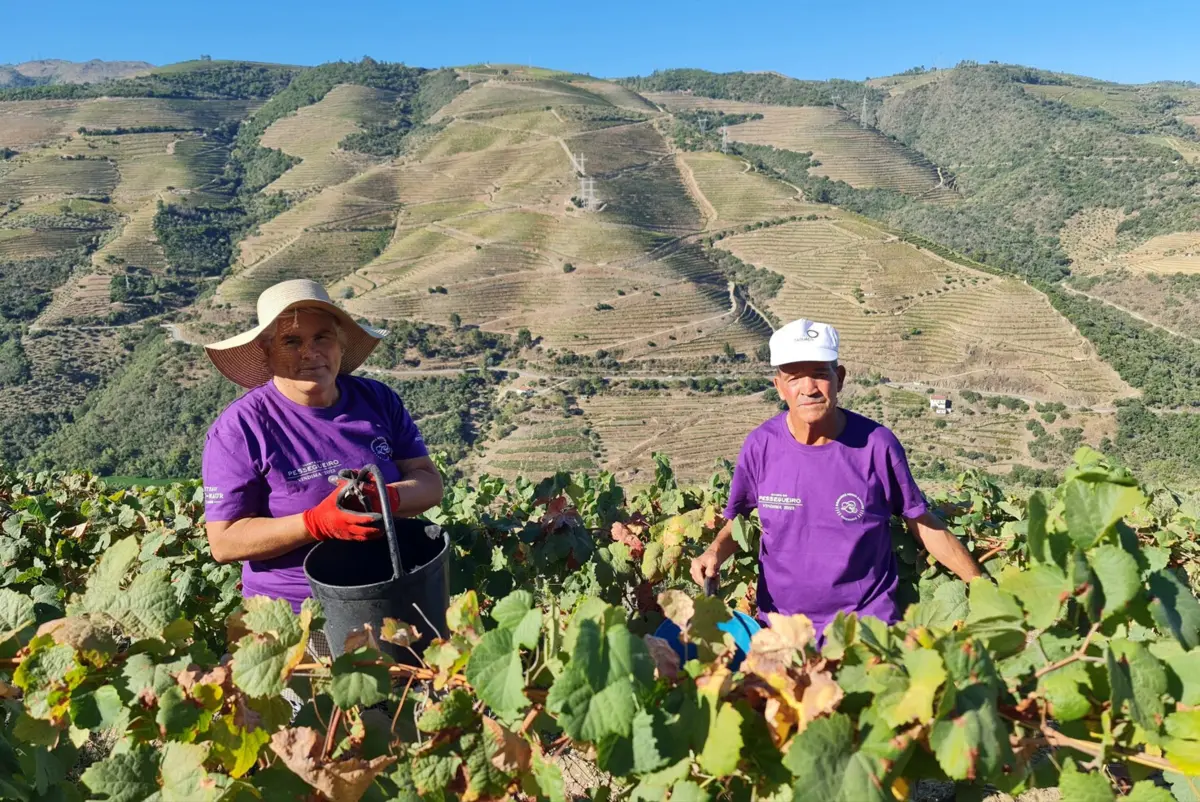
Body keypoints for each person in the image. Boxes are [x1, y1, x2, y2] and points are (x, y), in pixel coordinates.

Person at [689, 319, 982, 637]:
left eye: (819, 374)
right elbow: (738, 523)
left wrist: (982, 587)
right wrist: (713, 553)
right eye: (795, 378)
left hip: (865, 628)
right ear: (780, 387)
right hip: (781, 631)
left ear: (839, 378)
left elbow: (921, 523)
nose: (809, 388)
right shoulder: (760, 446)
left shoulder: (876, 445)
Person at [201, 279, 444, 623]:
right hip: (292, 616)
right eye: (291, 341)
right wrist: (315, 523)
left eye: (321, 338)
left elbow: (429, 483)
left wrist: (385, 499)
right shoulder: (240, 428)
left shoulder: (377, 400)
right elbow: (224, 543)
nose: (309, 352)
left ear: (340, 346)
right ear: (267, 353)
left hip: (388, 598)